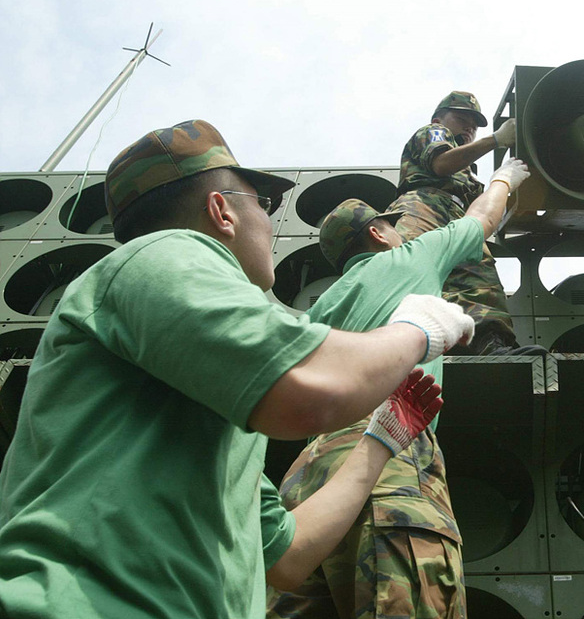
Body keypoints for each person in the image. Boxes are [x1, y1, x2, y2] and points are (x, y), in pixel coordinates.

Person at [0, 120, 475, 619]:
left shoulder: (216, 414)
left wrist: (380, 441)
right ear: (221, 211)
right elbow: (312, 389)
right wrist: (417, 329)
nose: (269, 224)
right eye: (263, 205)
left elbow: (287, 556)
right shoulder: (164, 253)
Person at [267, 158, 531, 619]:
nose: (398, 232)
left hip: (306, 479)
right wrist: (507, 176)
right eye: (392, 226)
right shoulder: (411, 256)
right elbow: (481, 219)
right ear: (377, 234)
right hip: (389, 446)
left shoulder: (320, 306)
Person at [388, 90, 538, 355]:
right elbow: (441, 164)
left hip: (460, 215)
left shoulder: (469, 170)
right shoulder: (433, 133)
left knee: (479, 278)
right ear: (438, 118)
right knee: (416, 272)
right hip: (424, 206)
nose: (469, 127)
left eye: (474, 125)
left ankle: (488, 345)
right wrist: (496, 140)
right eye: (461, 118)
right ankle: (401, 347)